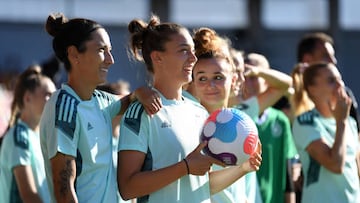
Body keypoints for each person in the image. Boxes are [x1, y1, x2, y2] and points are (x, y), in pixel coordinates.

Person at [117, 15, 262, 203]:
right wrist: (184, 167)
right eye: (184, 51)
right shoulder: (140, 111)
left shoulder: (199, 112)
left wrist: (242, 168)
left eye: (193, 51)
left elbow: (201, 186)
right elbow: (127, 188)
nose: (193, 58)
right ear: (158, 57)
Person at [40, 13, 161, 203]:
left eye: (110, 50)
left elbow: (128, 100)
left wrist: (140, 92)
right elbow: (63, 189)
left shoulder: (100, 101)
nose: (110, 59)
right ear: (74, 54)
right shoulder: (64, 106)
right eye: (101, 50)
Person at [190, 27, 262, 203]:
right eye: (202, 78)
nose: (210, 85)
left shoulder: (241, 121)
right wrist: (243, 168)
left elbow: (237, 191)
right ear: (192, 81)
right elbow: (202, 186)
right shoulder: (190, 123)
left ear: (234, 80)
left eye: (218, 77)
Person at [292, 62, 360, 203]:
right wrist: (341, 122)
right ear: (312, 89)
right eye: (331, 81)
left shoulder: (350, 122)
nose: (339, 84)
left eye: (339, 79)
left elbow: (356, 167)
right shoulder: (305, 122)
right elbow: (335, 164)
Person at [243, 53, 298, 203]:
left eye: (254, 76)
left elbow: (287, 172)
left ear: (268, 81)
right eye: (244, 76)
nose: (247, 82)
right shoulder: (235, 116)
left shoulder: (280, 120)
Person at [0, 65, 56, 202]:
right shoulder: (19, 136)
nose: (54, 101)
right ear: (27, 98)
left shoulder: (41, 138)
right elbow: (28, 194)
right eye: (48, 95)